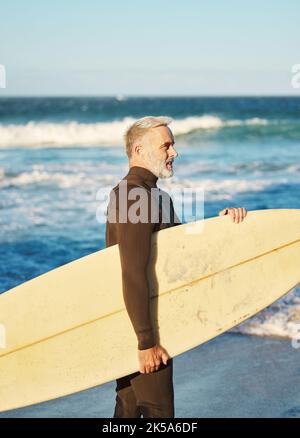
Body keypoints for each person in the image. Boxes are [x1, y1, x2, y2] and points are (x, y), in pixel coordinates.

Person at [105, 116, 247, 418]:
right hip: (143, 325)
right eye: (166, 146)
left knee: (129, 410)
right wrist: (146, 342)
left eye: (173, 146)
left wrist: (222, 226)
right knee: (158, 413)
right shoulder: (134, 195)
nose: (174, 153)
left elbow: (180, 250)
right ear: (140, 151)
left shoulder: (155, 196)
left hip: (136, 321)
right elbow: (131, 270)